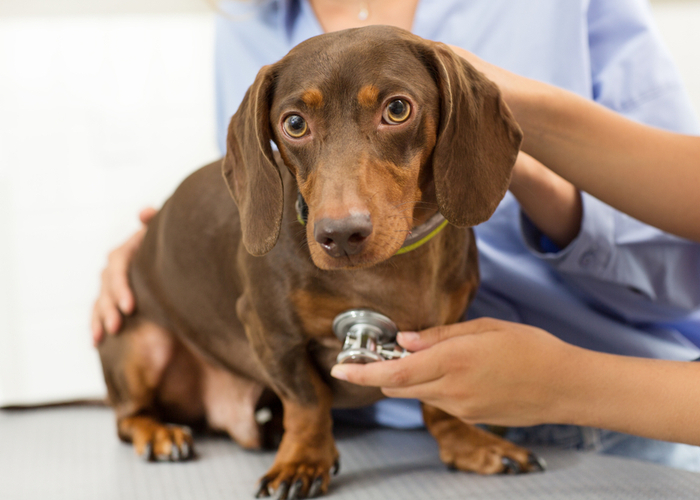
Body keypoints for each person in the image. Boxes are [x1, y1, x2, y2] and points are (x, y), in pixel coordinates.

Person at [92, 0, 700, 470]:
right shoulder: (246, 21)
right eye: (297, 123)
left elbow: (684, 271)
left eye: (396, 111)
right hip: (363, 437)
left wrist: (517, 161)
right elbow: (268, 213)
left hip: (626, 421)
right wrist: (159, 249)